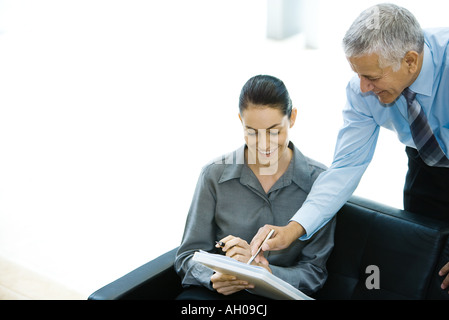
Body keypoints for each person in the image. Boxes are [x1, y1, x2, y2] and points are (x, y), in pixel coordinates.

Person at [249, 3, 449, 295]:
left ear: (410, 60)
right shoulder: (362, 90)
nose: (363, 87)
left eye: (373, 77)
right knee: (431, 267)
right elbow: (345, 168)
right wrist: (292, 229)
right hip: (426, 167)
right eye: (358, 73)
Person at [174, 75, 336, 300]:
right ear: (240, 120)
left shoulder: (320, 183)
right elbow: (187, 256)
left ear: (293, 118)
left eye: (274, 131)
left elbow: (315, 272)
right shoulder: (213, 175)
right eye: (252, 131)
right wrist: (213, 276)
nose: (264, 144)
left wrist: (266, 273)